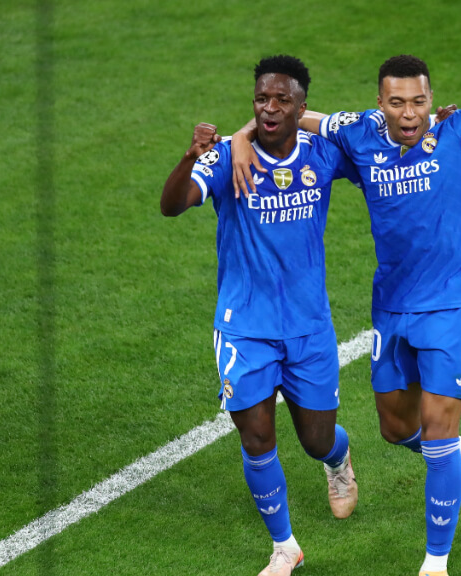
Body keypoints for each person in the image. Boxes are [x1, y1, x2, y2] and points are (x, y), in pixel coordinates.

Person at [230, 3, 461, 575]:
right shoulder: (359, 134)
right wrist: (242, 137)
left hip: (452, 302)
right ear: (380, 104)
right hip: (392, 305)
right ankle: (458, 454)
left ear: (430, 99)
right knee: (396, 429)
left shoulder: (460, 131)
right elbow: (288, 116)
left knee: (439, 431)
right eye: (397, 102)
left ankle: (434, 563)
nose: (410, 112)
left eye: (418, 101)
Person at [161, 55, 361, 576]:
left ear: (301, 106)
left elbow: (378, 153)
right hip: (245, 326)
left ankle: (338, 460)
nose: (269, 108)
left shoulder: (322, 152)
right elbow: (173, 204)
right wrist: (190, 157)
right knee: (256, 437)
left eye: (281, 100)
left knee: (316, 439)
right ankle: (285, 547)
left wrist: (433, 132)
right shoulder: (227, 157)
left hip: (308, 326)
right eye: (260, 99)